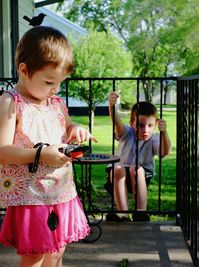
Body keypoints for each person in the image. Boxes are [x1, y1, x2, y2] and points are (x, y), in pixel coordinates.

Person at [0, 26, 97, 267]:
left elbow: (67, 126)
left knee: (56, 251)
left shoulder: (55, 103)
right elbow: (2, 151)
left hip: (61, 191)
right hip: (32, 196)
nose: (55, 89)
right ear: (24, 70)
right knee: (35, 254)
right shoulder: (10, 102)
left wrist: (75, 129)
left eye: (60, 83)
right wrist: (41, 154)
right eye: (49, 82)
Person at [105, 91, 171, 222]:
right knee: (117, 168)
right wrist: (112, 107)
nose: (145, 130)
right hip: (120, 176)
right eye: (140, 125)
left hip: (141, 174)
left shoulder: (154, 139)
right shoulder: (126, 133)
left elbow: (164, 152)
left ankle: (140, 212)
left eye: (150, 125)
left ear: (155, 124)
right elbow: (117, 124)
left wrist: (164, 133)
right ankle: (123, 213)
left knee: (135, 168)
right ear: (131, 122)